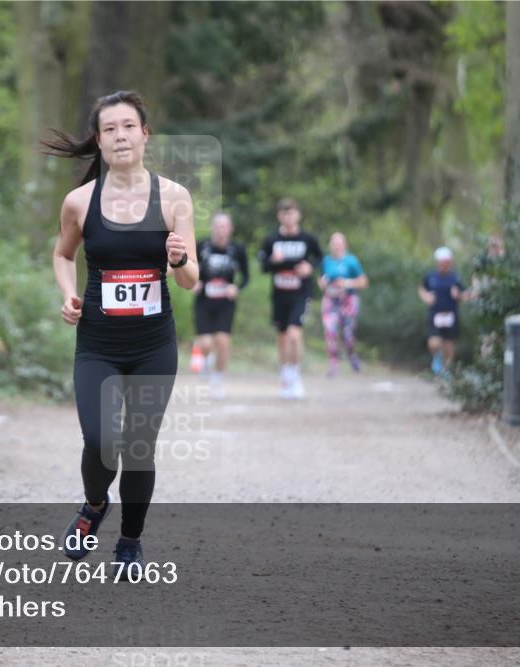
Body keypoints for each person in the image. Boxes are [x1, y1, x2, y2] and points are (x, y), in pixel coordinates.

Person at [46, 91, 198, 579]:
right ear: (99, 140)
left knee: (137, 446)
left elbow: (191, 278)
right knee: (99, 439)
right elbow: (63, 255)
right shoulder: (80, 202)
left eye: (128, 126)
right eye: (109, 129)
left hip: (154, 344)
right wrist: (69, 294)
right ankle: (94, 506)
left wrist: (177, 259)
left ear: (145, 134)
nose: (119, 135)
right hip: (98, 344)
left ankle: (130, 541)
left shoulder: (174, 197)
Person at [258, 198, 323, 399]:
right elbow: (263, 266)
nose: (289, 217)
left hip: (300, 294)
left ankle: (295, 375)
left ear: (298, 215)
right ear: (279, 216)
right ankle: (286, 373)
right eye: (285, 213)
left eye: (292, 213)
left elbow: (321, 258)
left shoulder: (308, 239)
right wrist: (272, 261)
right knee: (283, 338)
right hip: (279, 295)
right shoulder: (271, 239)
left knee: (295, 335)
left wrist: (310, 267)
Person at [192, 212, 249, 398]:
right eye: (217, 226)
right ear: (212, 228)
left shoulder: (237, 250)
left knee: (223, 341)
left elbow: (246, 276)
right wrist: (194, 282)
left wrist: (236, 287)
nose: (220, 230)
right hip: (204, 300)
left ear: (230, 229)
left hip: (226, 302)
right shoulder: (202, 246)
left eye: (224, 226)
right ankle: (207, 360)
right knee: (206, 343)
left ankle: (218, 380)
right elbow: (189, 267)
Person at [318, 232, 368, 376]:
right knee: (330, 332)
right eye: (333, 244)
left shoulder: (351, 261)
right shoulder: (326, 261)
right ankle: (333, 364)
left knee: (348, 335)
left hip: (348, 301)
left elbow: (363, 282)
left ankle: (352, 356)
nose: (336, 247)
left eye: (339, 244)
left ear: (344, 245)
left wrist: (346, 283)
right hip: (330, 300)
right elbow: (321, 278)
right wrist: (322, 283)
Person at [418, 246, 473, 375]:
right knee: (434, 343)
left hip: (450, 315)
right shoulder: (430, 276)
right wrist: (426, 297)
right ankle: (437, 359)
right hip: (435, 314)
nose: (444, 265)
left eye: (446, 262)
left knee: (449, 343)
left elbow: (466, 295)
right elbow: (421, 288)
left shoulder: (455, 278)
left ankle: (448, 369)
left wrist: (458, 295)